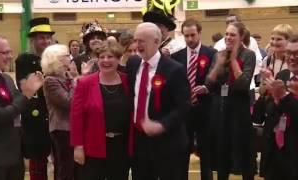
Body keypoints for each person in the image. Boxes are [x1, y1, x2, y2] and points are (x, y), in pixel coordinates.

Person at [127, 22, 190, 180]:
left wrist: (162, 125)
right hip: (139, 141)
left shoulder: (174, 69)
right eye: (135, 40)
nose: (137, 45)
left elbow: (184, 107)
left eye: (142, 41)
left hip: (167, 142)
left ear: (156, 41)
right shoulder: (133, 64)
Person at [0, 35, 44, 180]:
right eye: (5, 53)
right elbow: (0, 115)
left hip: (13, 154)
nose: (10, 56)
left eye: (10, 52)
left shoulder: (5, 78)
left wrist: (32, 93)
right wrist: (26, 94)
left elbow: (18, 107)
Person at [71, 41, 133, 180]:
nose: (106, 60)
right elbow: (77, 117)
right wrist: (78, 146)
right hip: (93, 147)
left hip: (121, 147)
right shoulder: (84, 83)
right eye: (102, 57)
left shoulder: (128, 81)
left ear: (119, 59)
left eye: (110, 57)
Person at [206, 22, 256, 180]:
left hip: (240, 109)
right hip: (222, 109)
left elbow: (243, 84)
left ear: (241, 37)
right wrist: (218, 65)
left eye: (232, 35)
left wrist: (233, 59)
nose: (228, 37)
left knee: (244, 151)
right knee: (222, 152)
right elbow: (209, 84)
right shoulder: (218, 55)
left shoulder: (248, 55)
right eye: (227, 34)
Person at [171, 18, 216, 180]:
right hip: (184, 112)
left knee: (206, 152)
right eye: (186, 36)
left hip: (205, 110)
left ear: (200, 33)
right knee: (182, 151)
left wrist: (207, 88)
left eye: (193, 35)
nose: (190, 39)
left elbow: (217, 82)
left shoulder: (211, 54)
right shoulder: (176, 57)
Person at [15, 17, 54, 180]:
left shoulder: (55, 57)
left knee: (60, 159)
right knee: (37, 161)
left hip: (55, 114)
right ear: (33, 39)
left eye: (47, 37)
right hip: (35, 117)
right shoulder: (24, 60)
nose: (45, 41)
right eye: (41, 38)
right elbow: (26, 87)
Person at [263, 34, 298, 180]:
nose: (291, 57)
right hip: (277, 151)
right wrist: (274, 98)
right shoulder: (283, 75)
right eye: (289, 53)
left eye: (296, 54)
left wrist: (284, 97)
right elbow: (268, 113)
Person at [41, 44, 78, 180]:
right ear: (56, 59)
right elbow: (69, 102)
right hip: (62, 129)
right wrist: (76, 80)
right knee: (65, 167)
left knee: (72, 167)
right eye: (67, 56)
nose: (70, 58)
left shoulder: (66, 77)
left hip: (72, 127)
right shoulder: (50, 80)